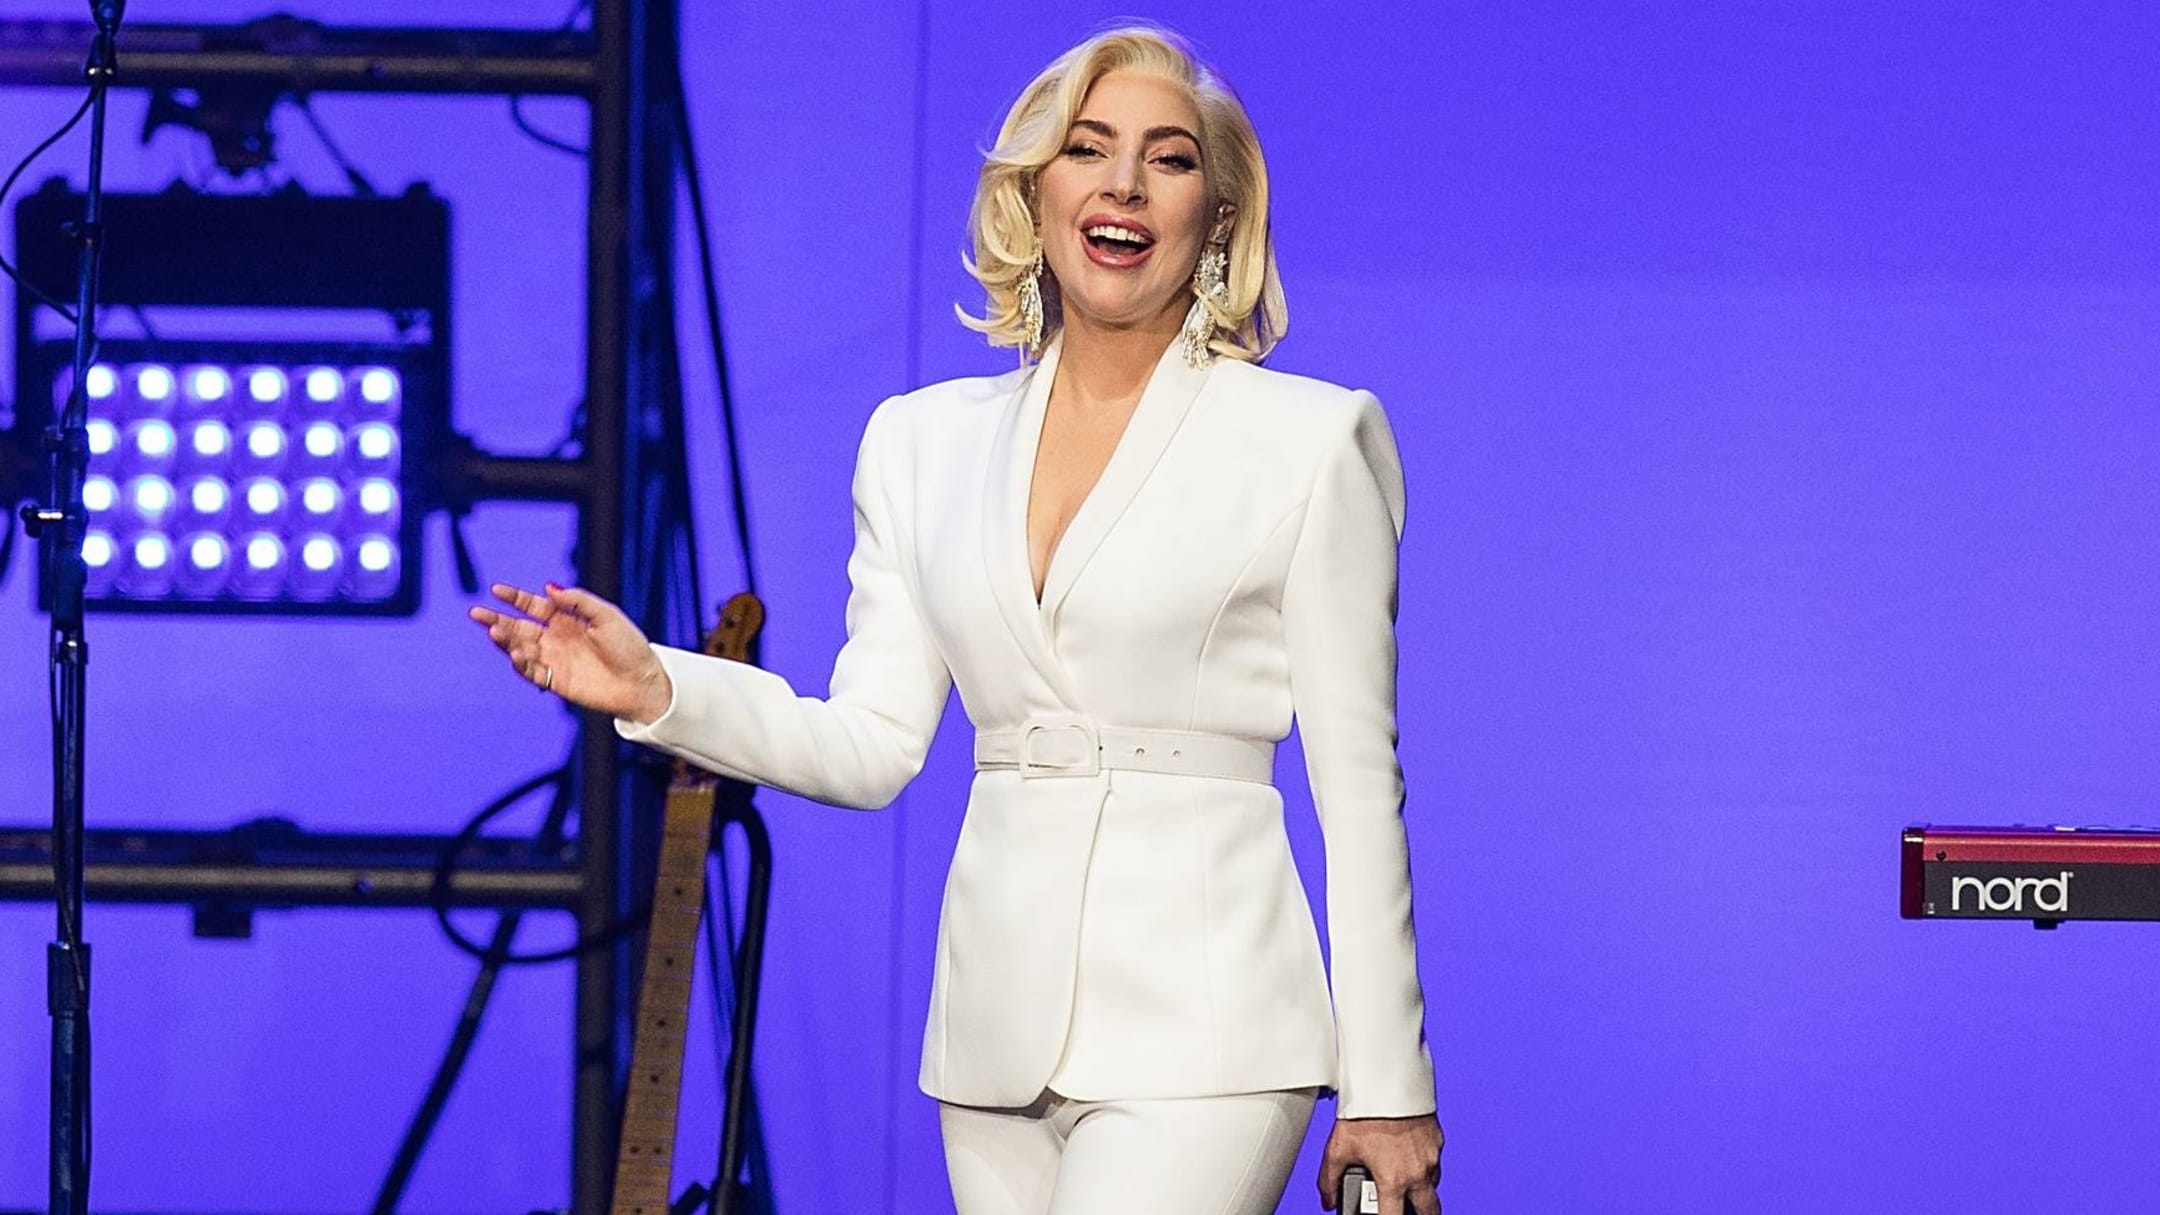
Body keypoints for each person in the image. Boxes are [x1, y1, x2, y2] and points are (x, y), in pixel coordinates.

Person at [471, 24, 1442, 1215]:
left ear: (1220, 215)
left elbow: (1358, 785)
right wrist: (662, 690)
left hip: (1213, 1023)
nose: (1124, 183)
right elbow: (872, 743)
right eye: (1088, 148)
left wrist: (1389, 1085)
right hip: (993, 1032)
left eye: (1169, 158)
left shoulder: (1308, 440)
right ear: (1036, 192)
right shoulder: (921, 444)